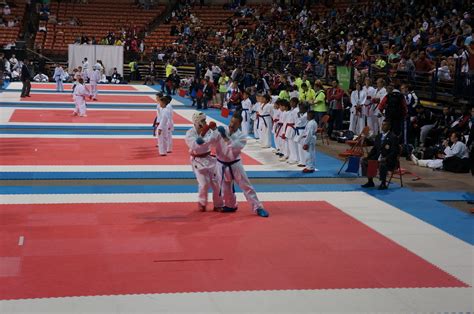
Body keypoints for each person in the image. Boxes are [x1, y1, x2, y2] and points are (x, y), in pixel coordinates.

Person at [210, 111, 269, 218]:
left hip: (235, 165)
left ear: (239, 124)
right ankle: (230, 205)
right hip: (221, 164)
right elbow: (212, 142)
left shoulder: (242, 136)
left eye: (235, 123)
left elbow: (233, 146)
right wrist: (211, 131)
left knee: (246, 187)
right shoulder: (222, 130)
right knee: (225, 187)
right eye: (231, 122)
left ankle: (258, 207)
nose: (232, 124)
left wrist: (224, 136)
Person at [185, 112, 221, 212]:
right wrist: (202, 135)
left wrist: (215, 130)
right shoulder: (190, 133)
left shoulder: (208, 131)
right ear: (196, 122)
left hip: (209, 158)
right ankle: (202, 203)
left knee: (217, 182)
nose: (205, 122)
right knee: (204, 184)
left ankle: (218, 204)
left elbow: (214, 142)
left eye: (205, 120)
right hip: (197, 160)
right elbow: (194, 146)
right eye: (202, 120)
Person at [361, 120, 400, 190]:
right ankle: (370, 181)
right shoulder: (378, 136)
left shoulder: (393, 137)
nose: (383, 126)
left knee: (382, 163)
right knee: (364, 161)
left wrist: (386, 158)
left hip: (389, 160)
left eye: (385, 125)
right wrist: (368, 156)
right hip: (378, 158)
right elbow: (374, 149)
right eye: (382, 125)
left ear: (389, 127)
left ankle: (383, 183)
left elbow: (394, 151)